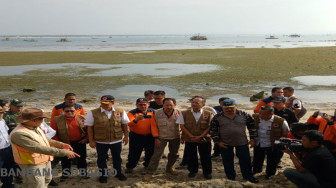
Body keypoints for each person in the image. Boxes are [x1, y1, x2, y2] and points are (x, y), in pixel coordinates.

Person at [10, 108, 79, 188]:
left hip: (44, 159)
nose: (43, 121)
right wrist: (64, 152)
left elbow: (45, 139)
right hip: (31, 164)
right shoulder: (19, 134)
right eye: (41, 119)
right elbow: (37, 148)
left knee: (47, 179)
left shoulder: (34, 127)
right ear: (33, 120)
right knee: (37, 184)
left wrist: (61, 145)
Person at [210, 99, 258, 183]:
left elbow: (252, 126)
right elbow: (213, 130)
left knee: (245, 160)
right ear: (222, 107)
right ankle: (231, 177)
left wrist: (253, 139)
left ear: (236, 106)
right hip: (225, 143)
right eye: (226, 108)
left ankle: (248, 176)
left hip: (242, 142)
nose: (229, 109)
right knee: (227, 161)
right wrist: (218, 141)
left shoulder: (244, 114)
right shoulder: (217, 117)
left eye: (231, 108)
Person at [86, 95, 129, 183]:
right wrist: (91, 141)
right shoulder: (93, 112)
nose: (104, 105)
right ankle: (103, 175)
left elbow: (124, 124)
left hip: (116, 140)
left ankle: (118, 173)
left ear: (112, 103)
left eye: (106, 103)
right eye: (102, 103)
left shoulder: (120, 111)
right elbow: (89, 128)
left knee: (117, 158)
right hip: (100, 141)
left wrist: (126, 136)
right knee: (101, 159)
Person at [176, 96, 213, 179]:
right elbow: (182, 126)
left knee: (206, 156)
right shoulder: (184, 113)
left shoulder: (209, 113)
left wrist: (201, 136)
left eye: (197, 103)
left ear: (203, 104)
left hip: (204, 139)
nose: (194, 104)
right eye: (193, 102)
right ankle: (193, 171)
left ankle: (207, 172)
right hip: (190, 139)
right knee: (191, 155)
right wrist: (191, 136)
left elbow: (210, 127)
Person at [50, 103, 89, 182]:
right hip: (65, 143)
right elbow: (53, 133)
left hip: (80, 142)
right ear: (63, 111)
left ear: (76, 110)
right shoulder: (56, 120)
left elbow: (89, 130)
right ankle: (65, 174)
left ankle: (83, 172)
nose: (70, 113)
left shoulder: (82, 118)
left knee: (82, 158)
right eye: (67, 111)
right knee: (65, 159)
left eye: (72, 111)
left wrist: (86, 139)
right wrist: (59, 144)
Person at [144, 98, 181, 180]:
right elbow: (153, 127)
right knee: (157, 155)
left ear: (174, 105)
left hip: (175, 137)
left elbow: (183, 125)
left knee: (174, 154)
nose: (168, 107)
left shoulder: (179, 113)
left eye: (170, 105)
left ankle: (170, 168)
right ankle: (150, 172)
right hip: (161, 137)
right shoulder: (156, 113)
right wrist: (156, 138)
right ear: (163, 105)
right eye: (166, 105)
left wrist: (184, 137)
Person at [251, 106, 289, 179]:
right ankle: (256, 170)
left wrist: (279, 141)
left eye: (263, 114)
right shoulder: (255, 117)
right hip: (259, 142)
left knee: (272, 160)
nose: (260, 115)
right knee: (257, 158)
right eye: (260, 113)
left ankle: (270, 173)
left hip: (272, 143)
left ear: (271, 114)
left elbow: (285, 132)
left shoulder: (280, 121)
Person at [126, 98, 158, 173]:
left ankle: (147, 165)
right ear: (136, 105)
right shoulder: (132, 113)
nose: (143, 106)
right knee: (134, 153)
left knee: (150, 152)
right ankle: (130, 166)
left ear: (148, 104)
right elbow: (128, 124)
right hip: (136, 136)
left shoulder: (153, 111)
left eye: (144, 104)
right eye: (140, 105)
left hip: (150, 136)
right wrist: (135, 120)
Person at [0, 106, 15, 188]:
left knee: (9, 168)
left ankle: (8, 185)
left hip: (8, 148)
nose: (1, 115)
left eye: (1, 113)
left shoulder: (2, 121)